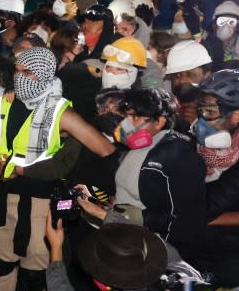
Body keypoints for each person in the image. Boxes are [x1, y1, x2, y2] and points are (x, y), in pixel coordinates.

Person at [0, 47, 116, 291]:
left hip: (40, 202)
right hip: (5, 193)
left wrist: (66, 160)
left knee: (36, 270)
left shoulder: (60, 109)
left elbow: (105, 149)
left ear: (45, 74)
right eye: (18, 72)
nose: (20, 78)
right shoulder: (6, 103)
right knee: (0, 259)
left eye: (27, 72)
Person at [75, 88, 206, 260]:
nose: (126, 124)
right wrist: (105, 205)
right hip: (122, 235)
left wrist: (136, 216)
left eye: (135, 117)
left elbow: (186, 217)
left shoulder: (178, 155)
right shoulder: (139, 146)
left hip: (147, 250)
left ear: (159, 122)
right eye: (127, 116)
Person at [187, 70, 239, 287]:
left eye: (210, 112)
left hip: (229, 259)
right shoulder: (202, 144)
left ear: (238, 115)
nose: (201, 119)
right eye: (200, 109)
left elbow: (202, 207)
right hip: (203, 247)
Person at [45, 219, 174, 291]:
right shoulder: (176, 266)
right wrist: (103, 214)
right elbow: (141, 238)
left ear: (101, 284)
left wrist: (56, 248)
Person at [202, 1, 239, 74]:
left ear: (236, 27)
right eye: (222, 21)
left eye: (231, 22)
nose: (226, 26)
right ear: (214, 25)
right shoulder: (202, 39)